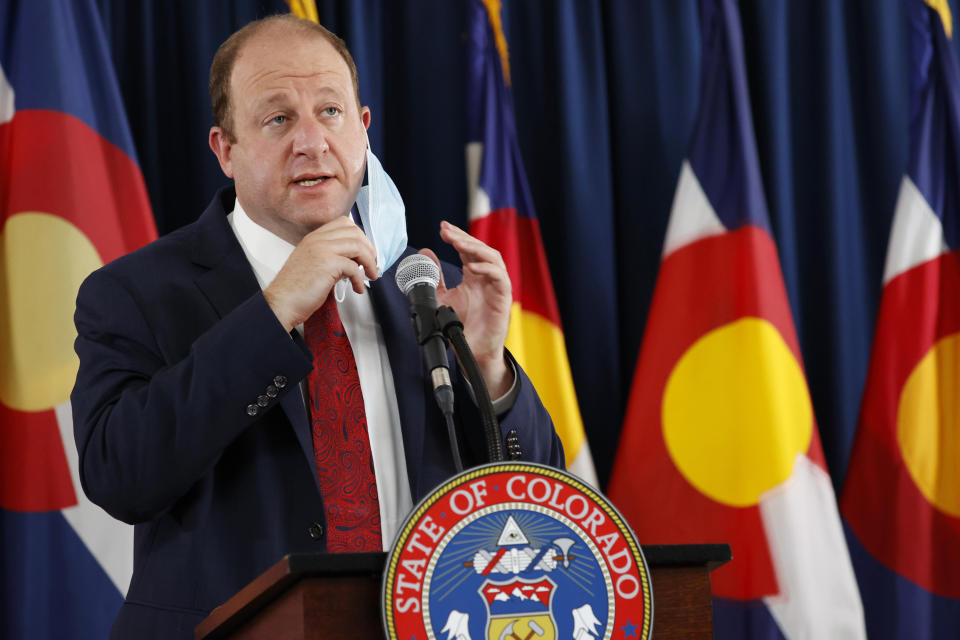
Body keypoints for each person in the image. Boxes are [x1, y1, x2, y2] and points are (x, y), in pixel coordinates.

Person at [70, 14, 562, 639]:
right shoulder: (135, 292)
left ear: (361, 130)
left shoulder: (420, 284)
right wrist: (274, 312)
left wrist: (487, 367)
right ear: (226, 150)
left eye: (330, 112)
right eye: (278, 119)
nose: (311, 141)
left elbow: (537, 498)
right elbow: (122, 476)